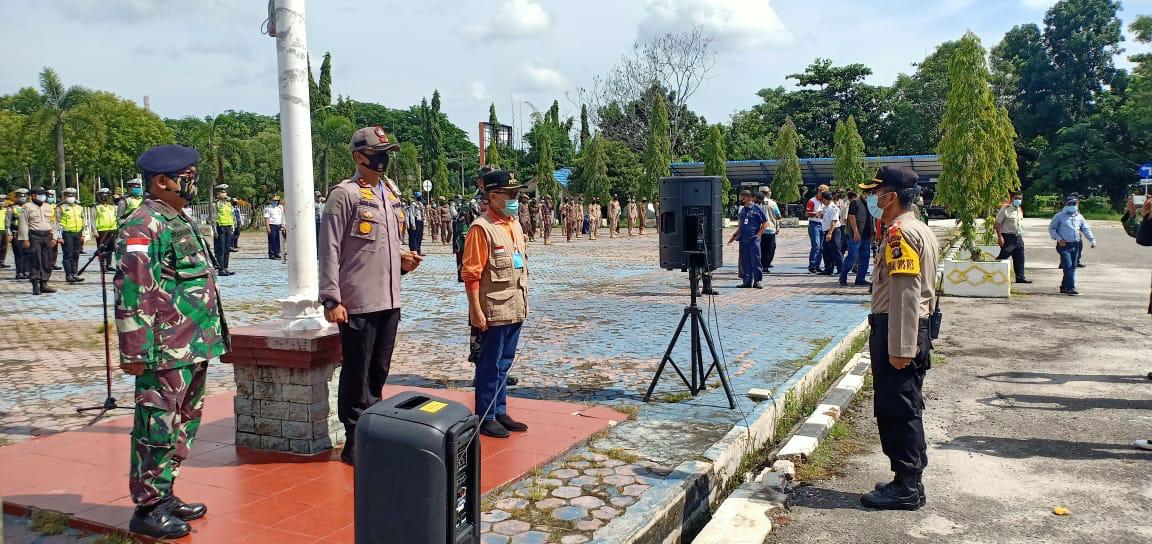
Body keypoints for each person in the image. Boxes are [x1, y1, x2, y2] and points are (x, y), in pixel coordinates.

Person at [114, 145, 226, 539]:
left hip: (191, 343)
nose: (193, 182)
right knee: (156, 426)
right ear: (163, 182)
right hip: (162, 348)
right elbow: (133, 290)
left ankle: (164, 494)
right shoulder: (142, 225)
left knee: (184, 422)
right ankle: (147, 507)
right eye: (188, 175)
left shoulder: (174, 217)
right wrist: (135, 350)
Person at [319, 126, 423, 466]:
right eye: (378, 153)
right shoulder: (344, 194)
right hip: (357, 300)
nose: (384, 158)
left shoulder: (389, 193)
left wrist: (404, 261)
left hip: (389, 297)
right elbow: (330, 249)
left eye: (387, 152)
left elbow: (383, 245)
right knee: (357, 371)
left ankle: (372, 430)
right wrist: (331, 299)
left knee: (378, 370)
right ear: (359, 156)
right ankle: (354, 439)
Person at [858, 166, 939, 511]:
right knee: (905, 405)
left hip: (898, 327)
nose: (875, 200)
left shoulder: (900, 234)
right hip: (907, 326)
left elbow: (907, 293)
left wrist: (902, 347)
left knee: (897, 409)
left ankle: (906, 486)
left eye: (878, 194)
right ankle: (908, 481)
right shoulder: (918, 228)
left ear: (891, 196)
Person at [461, 169, 530, 438]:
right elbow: (471, 274)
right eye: (509, 194)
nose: (515, 198)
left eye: (516, 194)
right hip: (493, 308)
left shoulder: (513, 224)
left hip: (515, 304)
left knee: (505, 362)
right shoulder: (481, 229)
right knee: (489, 364)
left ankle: (499, 409)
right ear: (493, 196)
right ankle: (485, 415)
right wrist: (476, 310)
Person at [1048, 196, 1096, 296]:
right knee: (1068, 266)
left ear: (1077, 204)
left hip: (1076, 245)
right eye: (1070, 204)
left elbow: (1085, 229)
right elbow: (1052, 228)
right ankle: (1071, 287)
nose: (1072, 206)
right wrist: (1058, 238)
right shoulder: (1059, 216)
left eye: (1074, 204)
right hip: (1064, 245)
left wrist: (1092, 240)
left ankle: (1064, 286)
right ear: (1066, 204)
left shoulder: (1079, 217)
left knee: (1072, 267)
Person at [18, 187, 61, 295]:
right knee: (35, 259)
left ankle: (44, 283)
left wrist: (55, 237)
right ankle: (35, 284)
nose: (43, 196)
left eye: (43, 194)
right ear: (33, 196)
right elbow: (23, 224)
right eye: (40, 194)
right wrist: (25, 239)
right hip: (34, 236)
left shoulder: (48, 207)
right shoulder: (27, 207)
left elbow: (53, 222)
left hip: (47, 236)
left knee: (47, 260)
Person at [727, 190, 767, 289]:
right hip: (743, 240)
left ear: (748, 198)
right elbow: (741, 226)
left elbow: (765, 223)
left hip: (753, 240)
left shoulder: (757, 208)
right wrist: (734, 236)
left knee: (756, 260)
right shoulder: (742, 210)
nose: (740, 200)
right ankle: (747, 282)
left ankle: (757, 281)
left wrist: (758, 235)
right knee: (745, 261)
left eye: (742, 198)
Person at [995, 191, 1031, 284]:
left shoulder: (1019, 209)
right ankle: (995, 274)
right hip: (1008, 237)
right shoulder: (1005, 210)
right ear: (1011, 199)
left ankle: (1020, 277)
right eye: (1016, 198)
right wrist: (1000, 236)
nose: (1018, 200)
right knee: (1004, 255)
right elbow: (997, 223)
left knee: (1020, 258)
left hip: (1018, 237)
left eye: (1020, 199)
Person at [842, 187, 875, 287]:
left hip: (866, 235)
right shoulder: (855, 202)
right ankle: (843, 277)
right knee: (853, 256)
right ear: (864, 193)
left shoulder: (871, 204)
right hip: (855, 235)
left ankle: (860, 279)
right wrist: (856, 231)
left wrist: (874, 231)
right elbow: (851, 217)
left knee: (865, 258)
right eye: (869, 193)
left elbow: (873, 217)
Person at [57, 187, 88, 283]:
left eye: (72, 195)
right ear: (64, 196)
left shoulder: (79, 207)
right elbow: (57, 222)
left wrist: (83, 234)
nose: (71, 197)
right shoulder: (60, 207)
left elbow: (83, 221)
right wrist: (59, 236)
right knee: (68, 255)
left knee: (76, 254)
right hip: (67, 233)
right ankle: (68, 274)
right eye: (68, 195)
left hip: (78, 233)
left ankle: (75, 273)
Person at [209, 185, 235, 276]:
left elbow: (231, 215)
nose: (224, 194)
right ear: (218, 193)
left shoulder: (228, 203)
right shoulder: (215, 204)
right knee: (220, 249)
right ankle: (220, 269)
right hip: (220, 228)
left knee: (227, 249)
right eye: (222, 192)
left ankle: (226, 267)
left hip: (228, 227)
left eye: (225, 192)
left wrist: (233, 227)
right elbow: (212, 218)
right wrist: (214, 230)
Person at [94, 188, 119, 272]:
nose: (104, 197)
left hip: (113, 229)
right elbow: (93, 219)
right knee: (102, 248)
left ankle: (109, 265)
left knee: (111, 248)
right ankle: (102, 265)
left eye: (106, 195)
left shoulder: (113, 206)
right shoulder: (96, 207)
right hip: (101, 230)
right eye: (102, 195)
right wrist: (94, 230)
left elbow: (117, 217)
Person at [806, 185, 829, 273]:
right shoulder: (812, 201)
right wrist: (817, 213)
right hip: (814, 224)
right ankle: (812, 265)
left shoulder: (824, 201)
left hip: (822, 224)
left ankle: (817, 265)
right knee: (816, 245)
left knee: (822, 247)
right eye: (823, 193)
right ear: (819, 192)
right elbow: (807, 213)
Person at [820, 191, 843, 276]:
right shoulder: (826, 207)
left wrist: (830, 233)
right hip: (827, 231)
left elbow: (834, 221)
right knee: (826, 251)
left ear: (824, 199)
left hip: (833, 231)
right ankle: (828, 269)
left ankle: (841, 269)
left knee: (836, 250)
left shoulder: (832, 207)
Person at [758, 189, 781, 273]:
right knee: (770, 248)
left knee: (760, 248)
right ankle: (766, 265)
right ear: (767, 193)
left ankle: (760, 264)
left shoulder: (756, 202)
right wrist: (777, 225)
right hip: (770, 228)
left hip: (759, 229)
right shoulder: (772, 203)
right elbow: (778, 216)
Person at [9, 188, 28, 279]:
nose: (23, 198)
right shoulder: (11, 208)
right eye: (20, 196)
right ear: (16, 197)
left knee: (28, 253)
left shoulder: (29, 206)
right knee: (19, 253)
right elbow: (7, 222)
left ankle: (27, 271)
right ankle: (20, 272)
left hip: (28, 233)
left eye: (24, 196)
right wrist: (9, 234)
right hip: (17, 232)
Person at [263, 195, 284, 260]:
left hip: (279, 225)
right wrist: (267, 227)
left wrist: (282, 225)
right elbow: (266, 218)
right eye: (274, 200)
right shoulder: (268, 208)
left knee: (278, 240)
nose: (275, 202)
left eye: (277, 201)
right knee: (272, 240)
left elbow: (281, 217)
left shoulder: (279, 208)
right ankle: (271, 254)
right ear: (271, 201)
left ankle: (277, 253)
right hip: (272, 225)